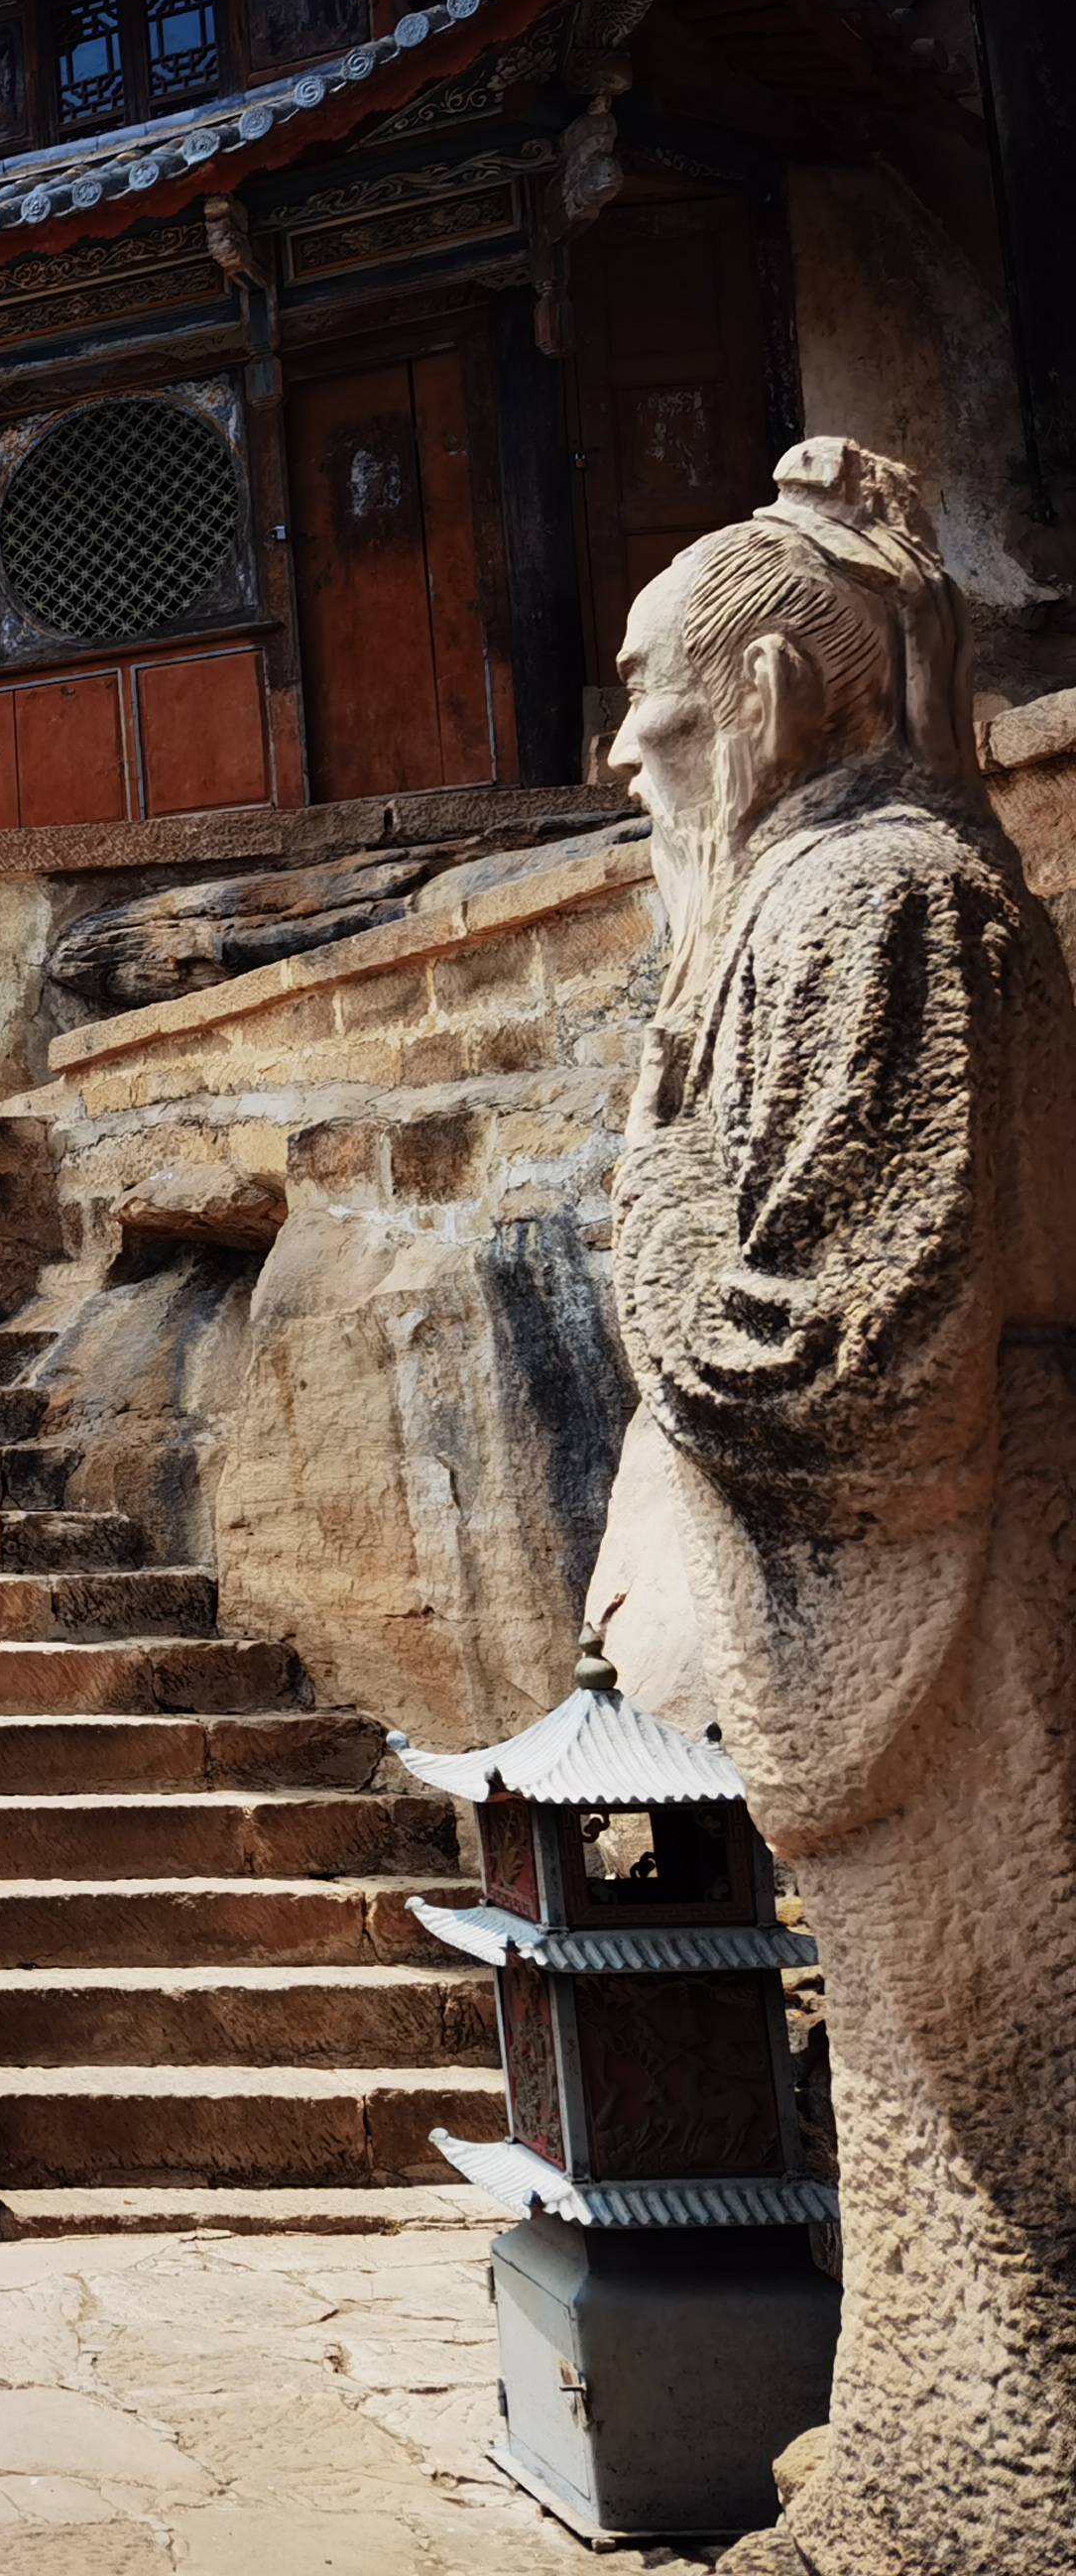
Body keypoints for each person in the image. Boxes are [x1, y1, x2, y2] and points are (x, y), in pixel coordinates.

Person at [581, 439, 1076, 2575]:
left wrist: (642, 1206)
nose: (618, 755)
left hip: (959, 1615)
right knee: (918, 2091)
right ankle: (923, 2475)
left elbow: (836, 1346)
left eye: (651, 703)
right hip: (934, 1603)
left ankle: (980, 2501)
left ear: (773, 703)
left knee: (992, 2091)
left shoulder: (874, 904)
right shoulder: (830, 903)